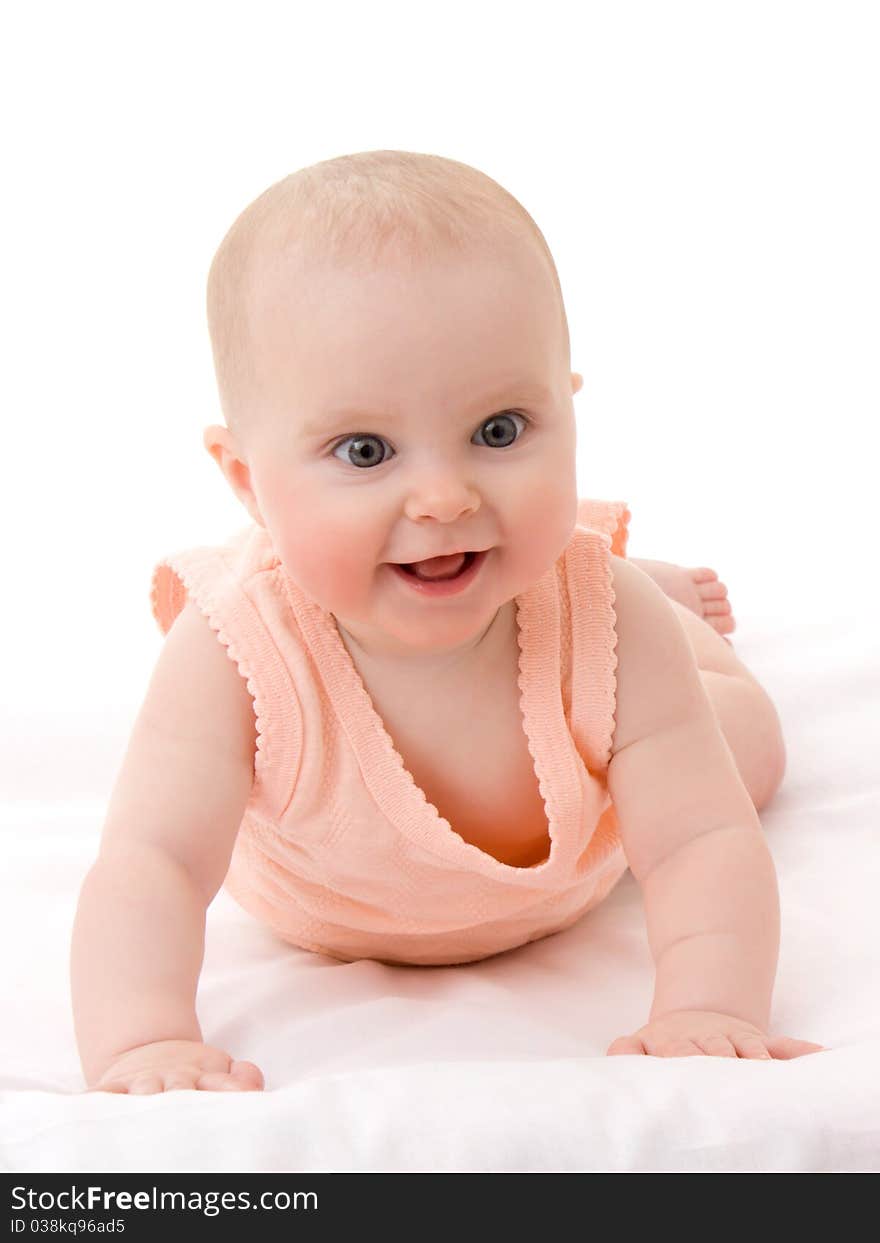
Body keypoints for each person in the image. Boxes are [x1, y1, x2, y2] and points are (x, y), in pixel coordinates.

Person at [70, 150, 825, 1094]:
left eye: (500, 431)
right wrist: (142, 1040)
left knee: (743, 743)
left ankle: (649, 578)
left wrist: (710, 1007)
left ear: (568, 415)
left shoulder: (608, 622)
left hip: (573, 862)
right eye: (365, 450)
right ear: (248, 482)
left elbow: (700, 842)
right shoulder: (235, 653)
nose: (441, 496)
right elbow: (154, 862)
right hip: (328, 897)